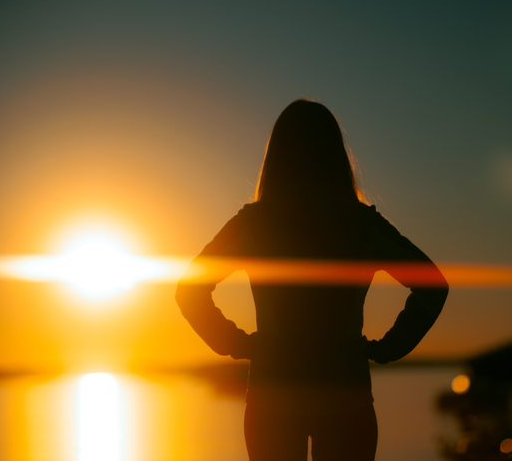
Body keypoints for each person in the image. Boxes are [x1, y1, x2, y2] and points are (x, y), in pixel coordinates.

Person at [175, 99, 448, 461]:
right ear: (336, 156)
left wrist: (240, 344)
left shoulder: (255, 223)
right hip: (345, 395)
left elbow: (189, 290)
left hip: (271, 397)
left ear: (276, 157)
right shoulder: (360, 224)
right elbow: (432, 285)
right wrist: (387, 348)